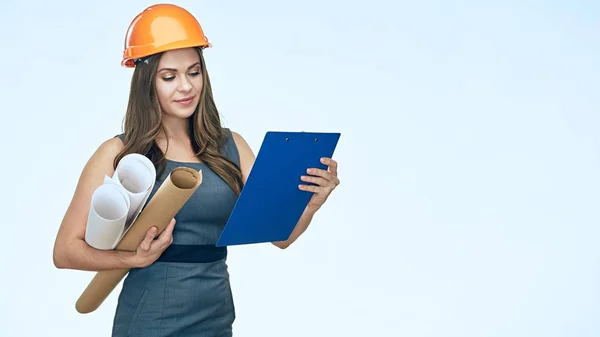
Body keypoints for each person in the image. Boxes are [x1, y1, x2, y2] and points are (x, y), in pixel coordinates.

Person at [52, 3, 340, 337]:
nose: (186, 86)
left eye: (193, 71)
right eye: (169, 77)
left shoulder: (231, 146)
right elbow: (65, 251)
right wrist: (131, 259)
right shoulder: (120, 153)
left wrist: (311, 204)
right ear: (146, 82)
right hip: (150, 320)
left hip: (216, 315)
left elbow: (280, 237)